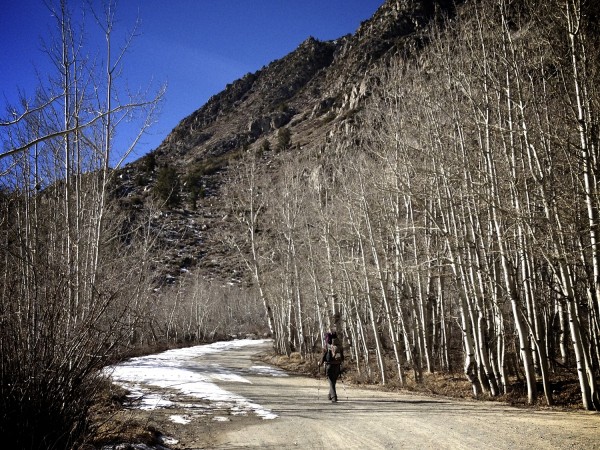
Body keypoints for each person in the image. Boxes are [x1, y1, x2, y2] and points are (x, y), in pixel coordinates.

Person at [318, 331, 344, 402]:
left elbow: (323, 356)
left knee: (331, 381)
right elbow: (342, 357)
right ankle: (330, 395)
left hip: (329, 365)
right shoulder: (339, 346)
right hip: (337, 365)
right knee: (333, 381)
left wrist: (320, 363)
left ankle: (334, 397)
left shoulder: (327, 346)